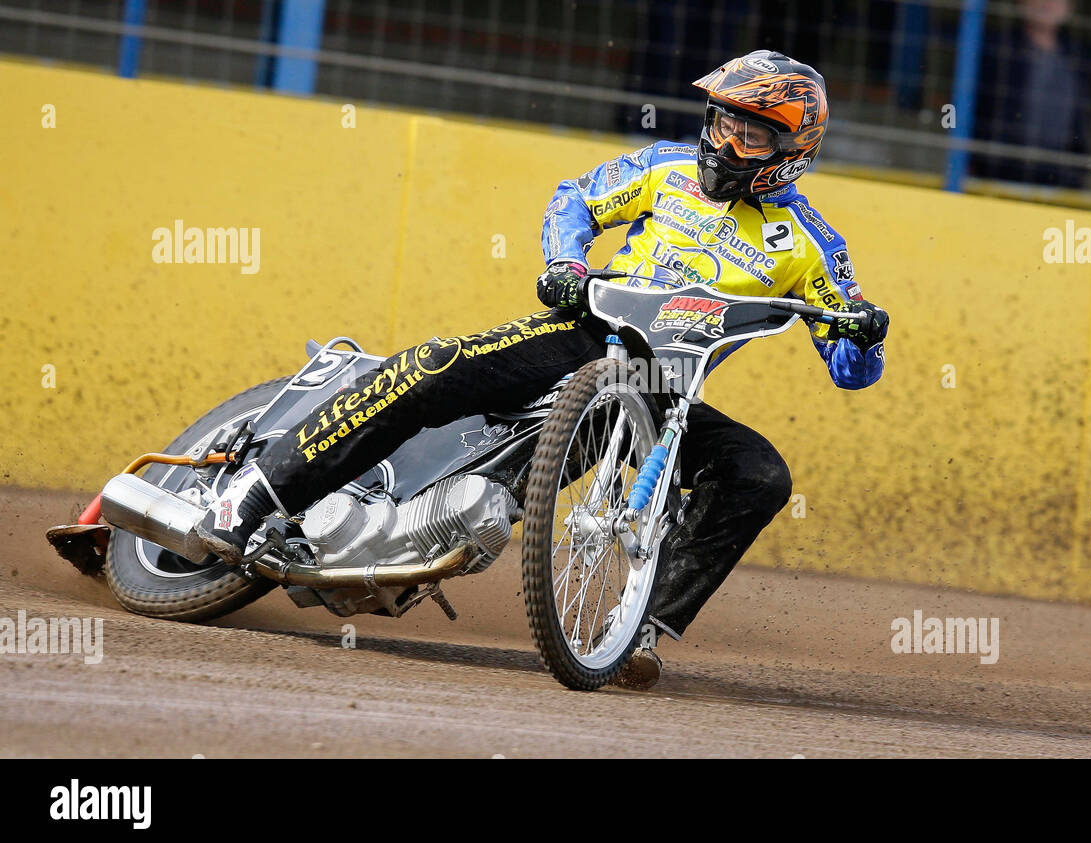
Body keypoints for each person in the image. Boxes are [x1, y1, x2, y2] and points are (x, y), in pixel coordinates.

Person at [195, 50, 890, 690]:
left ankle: (640, 628)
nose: (725, 143)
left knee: (759, 474)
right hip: (585, 333)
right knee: (434, 367)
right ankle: (250, 497)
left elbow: (853, 367)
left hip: (661, 396)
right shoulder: (666, 166)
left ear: (795, 152)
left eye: (752, 135)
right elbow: (577, 199)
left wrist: (862, 330)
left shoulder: (810, 244)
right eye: (722, 122)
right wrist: (566, 262)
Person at [971, 0, 1091, 189]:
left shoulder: (1077, 58)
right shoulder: (997, 49)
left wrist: (1078, 170)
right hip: (998, 175)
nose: (1048, 4)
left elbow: (1081, 123)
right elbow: (962, 108)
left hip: (1058, 180)